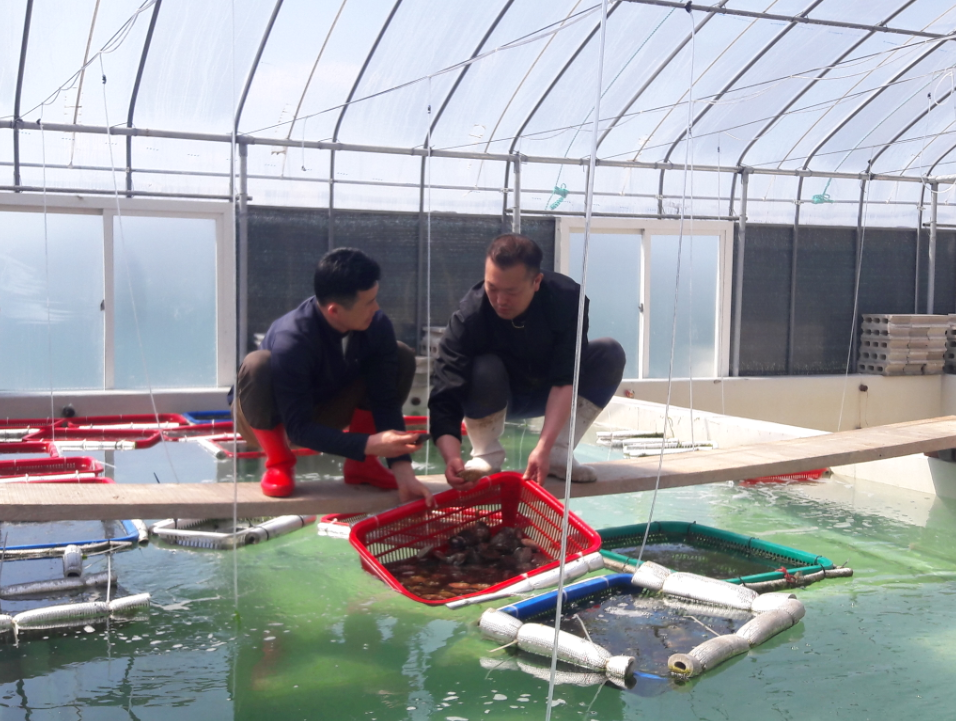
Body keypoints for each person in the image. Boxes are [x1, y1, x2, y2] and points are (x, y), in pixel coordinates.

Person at [234, 247, 433, 505]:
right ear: (334, 310)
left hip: (326, 410)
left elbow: (384, 400)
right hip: (270, 420)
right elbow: (298, 429)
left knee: (402, 355)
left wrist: (404, 473)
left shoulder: (376, 324)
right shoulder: (293, 338)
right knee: (257, 364)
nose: (376, 307)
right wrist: (369, 443)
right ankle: (278, 463)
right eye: (368, 302)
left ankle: (362, 467)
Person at [429, 233, 625, 489]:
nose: (500, 300)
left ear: (536, 281)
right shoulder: (469, 316)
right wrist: (451, 456)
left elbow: (566, 376)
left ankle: (559, 452)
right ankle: (485, 455)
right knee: (485, 367)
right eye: (492, 287)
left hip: (549, 392)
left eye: (511, 291)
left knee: (609, 353)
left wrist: (542, 448)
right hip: (496, 397)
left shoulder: (567, 300)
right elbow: (445, 393)